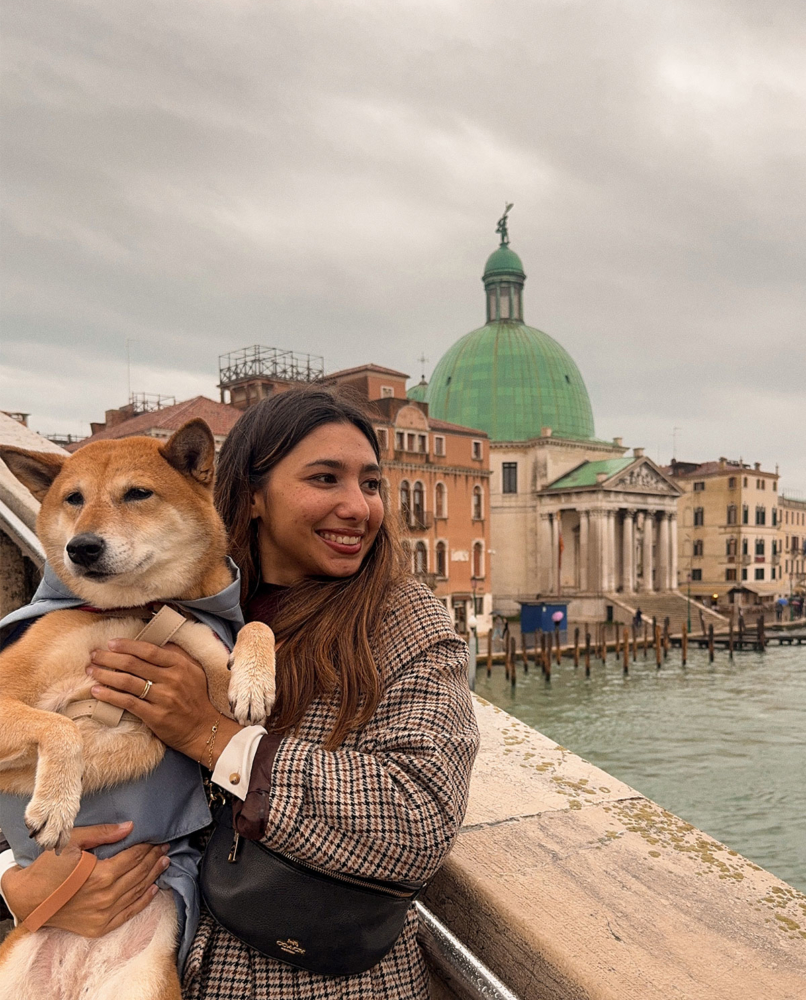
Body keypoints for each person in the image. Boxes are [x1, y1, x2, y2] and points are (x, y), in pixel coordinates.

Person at [0, 388, 480, 1000]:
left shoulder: (403, 621)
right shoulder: (156, 584)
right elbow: (27, 774)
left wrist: (211, 734)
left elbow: (417, 822)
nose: (357, 507)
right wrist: (19, 884)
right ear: (252, 494)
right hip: (155, 958)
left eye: (371, 483)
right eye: (325, 479)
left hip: (312, 982)